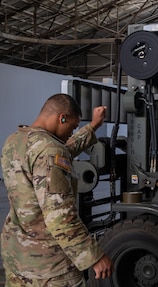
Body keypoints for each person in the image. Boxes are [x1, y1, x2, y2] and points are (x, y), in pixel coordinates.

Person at [1, 94, 114, 286]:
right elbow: (60, 217)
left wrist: (93, 125)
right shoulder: (50, 150)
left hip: (17, 256)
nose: (72, 132)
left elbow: (61, 149)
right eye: (73, 126)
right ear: (62, 118)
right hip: (49, 268)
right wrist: (93, 256)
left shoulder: (15, 140)